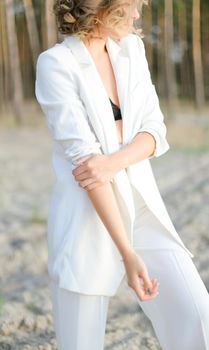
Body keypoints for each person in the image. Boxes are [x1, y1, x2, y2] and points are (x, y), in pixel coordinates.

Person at [35, 0, 209, 349]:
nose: (139, 11)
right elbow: (86, 166)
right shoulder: (55, 64)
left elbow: (155, 132)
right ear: (102, 6)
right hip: (88, 216)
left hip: (142, 208)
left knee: (197, 317)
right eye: (132, 3)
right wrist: (128, 253)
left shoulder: (131, 50)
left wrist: (112, 162)